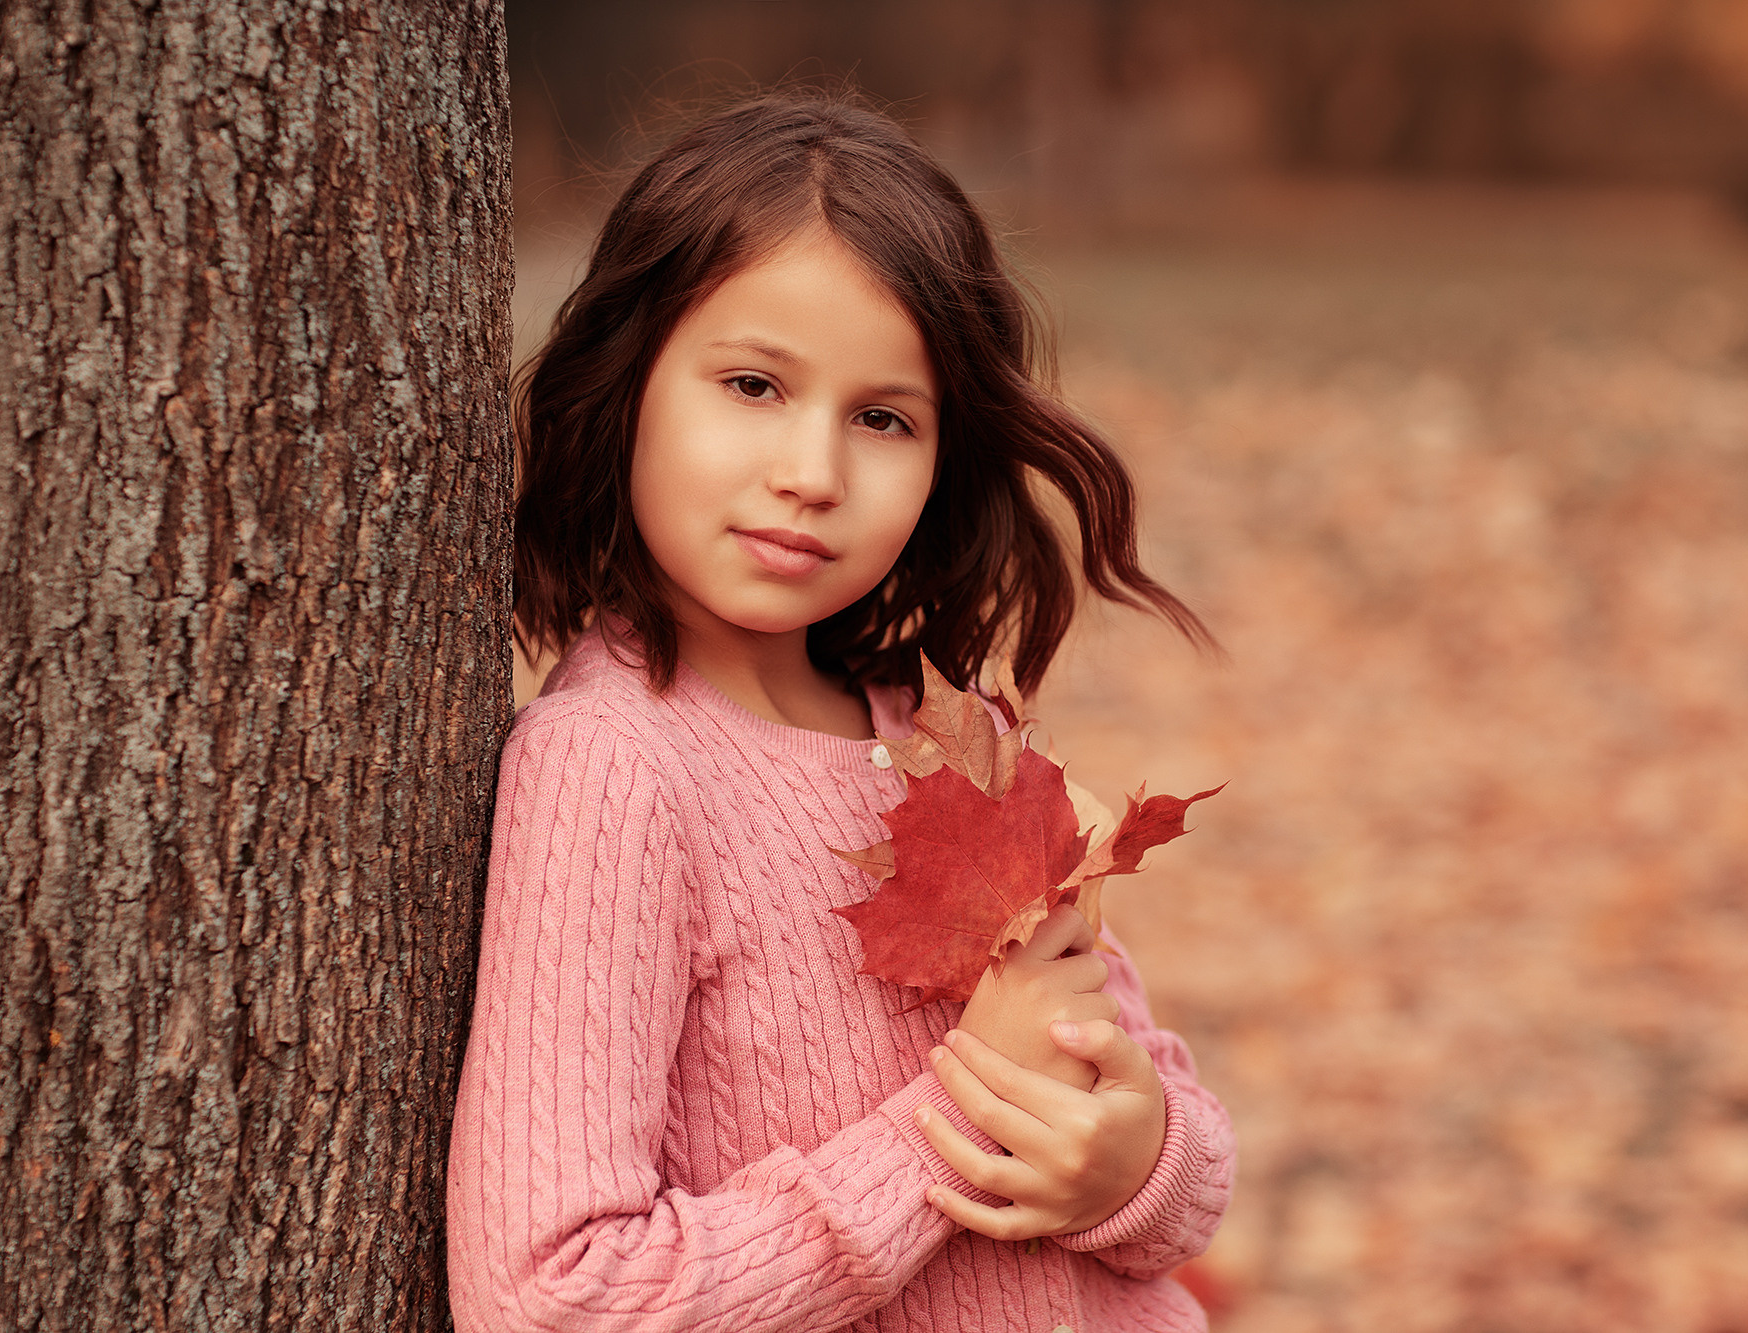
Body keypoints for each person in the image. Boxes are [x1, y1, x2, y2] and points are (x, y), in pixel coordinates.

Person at [447, 88, 1235, 1333]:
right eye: (753, 385)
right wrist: (957, 1130)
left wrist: (1133, 1167)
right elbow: (555, 1299)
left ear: (940, 462)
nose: (811, 474)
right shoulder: (612, 771)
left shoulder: (947, 737)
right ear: (628, 381)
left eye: (880, 418)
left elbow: (1176, 1158)